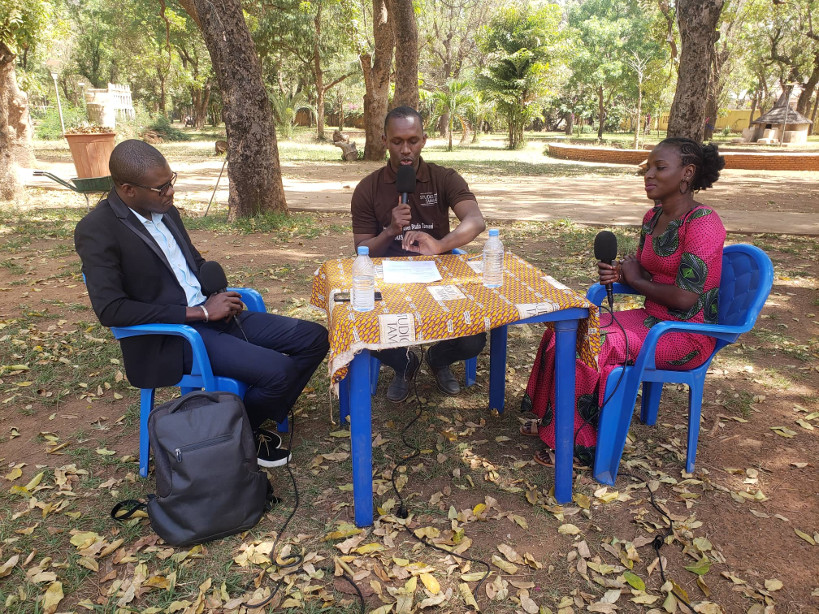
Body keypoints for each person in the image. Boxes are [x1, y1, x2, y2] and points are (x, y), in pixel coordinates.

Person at [75, 140, 329, 468]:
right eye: (161, 187)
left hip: (211, 315)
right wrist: (199, 312)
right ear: (128, 189)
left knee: (314, 338)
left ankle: (245, 424)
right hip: (172, 336)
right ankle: (237, 436)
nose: (171, 192)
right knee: (278, 372)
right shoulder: (97, 230)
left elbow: (191, 263)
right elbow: (111, 309)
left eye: (172, 181)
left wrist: (213, 298)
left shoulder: (165, 212)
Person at [521, 138, 726, 466]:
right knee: (565, 328)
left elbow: (686, 296)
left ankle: (577, 443)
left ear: (687, 174)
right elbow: (651, 270)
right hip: (650, 319)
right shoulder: (653, 216)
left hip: (684, 333)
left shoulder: (703, 223)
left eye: (660, 167)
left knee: (590, 343)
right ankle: (555, 422)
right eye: (648, 167)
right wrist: (623, 273)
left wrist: (637, 280)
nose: (649, 174)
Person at [350, 106, 487, 402]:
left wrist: (439, 245)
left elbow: (476, 221)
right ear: (385, 141)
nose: (405, 149)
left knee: (475, 337)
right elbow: (361, 249)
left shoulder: (444, 178)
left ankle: (438, 358)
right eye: (397, 141)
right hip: (387, 281)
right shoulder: (367, 188)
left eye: (412, 140)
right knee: (360, 325)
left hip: (439, 275)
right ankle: (405, 363)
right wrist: (388, 230)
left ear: (424, 140)